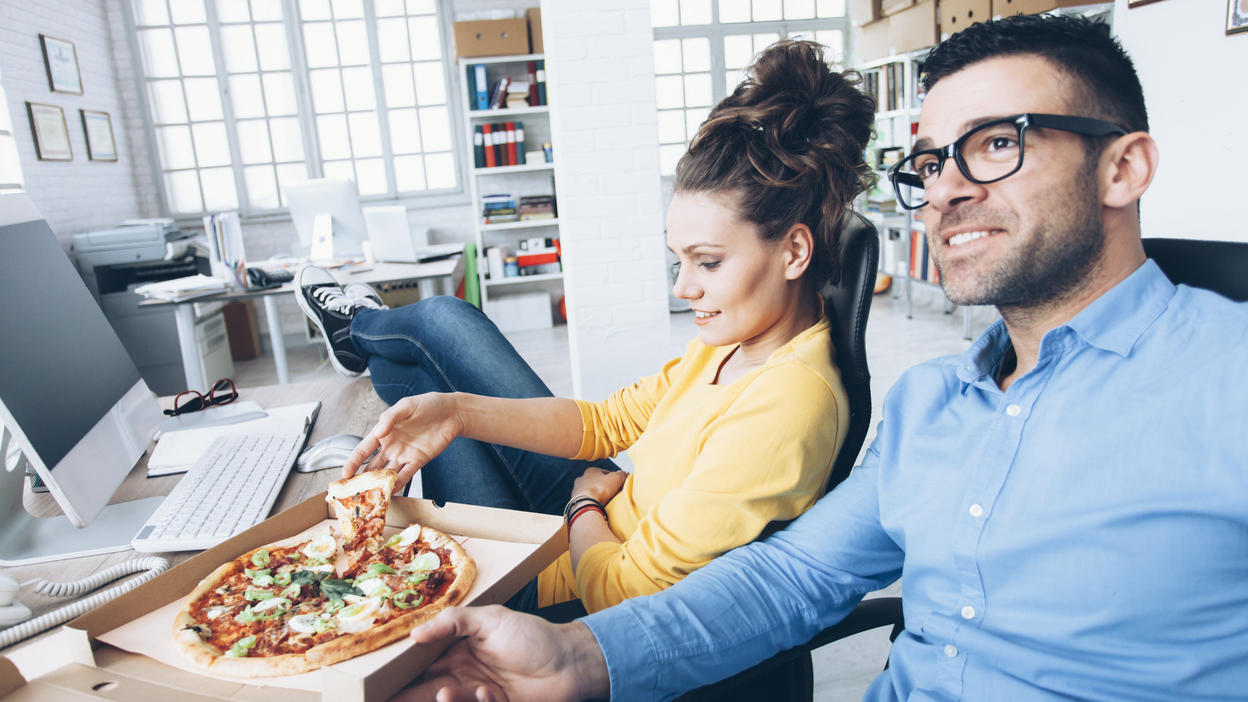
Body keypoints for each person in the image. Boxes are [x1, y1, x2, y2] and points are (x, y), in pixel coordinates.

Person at [394, 14, 1248, 702]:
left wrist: (583, 526)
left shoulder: (1227, 377)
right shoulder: (933, 403)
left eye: (996, 144)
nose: (945, 188)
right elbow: (791, 578)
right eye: (931, 160)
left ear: (1123, 168)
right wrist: (578, 659)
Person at [295, 40, 876, 615]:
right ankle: (364, 333)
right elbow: (608, 421)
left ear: (794, 252)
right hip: (598, 515)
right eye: (680, 261)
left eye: (710, 262)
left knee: (425, 351)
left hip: (547, 589)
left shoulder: (786, 407)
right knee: (435, 363)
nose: (683, 288)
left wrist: (582, 507)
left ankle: (358, 328)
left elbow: (621, 594)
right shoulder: (735, 344)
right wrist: (459, 412)